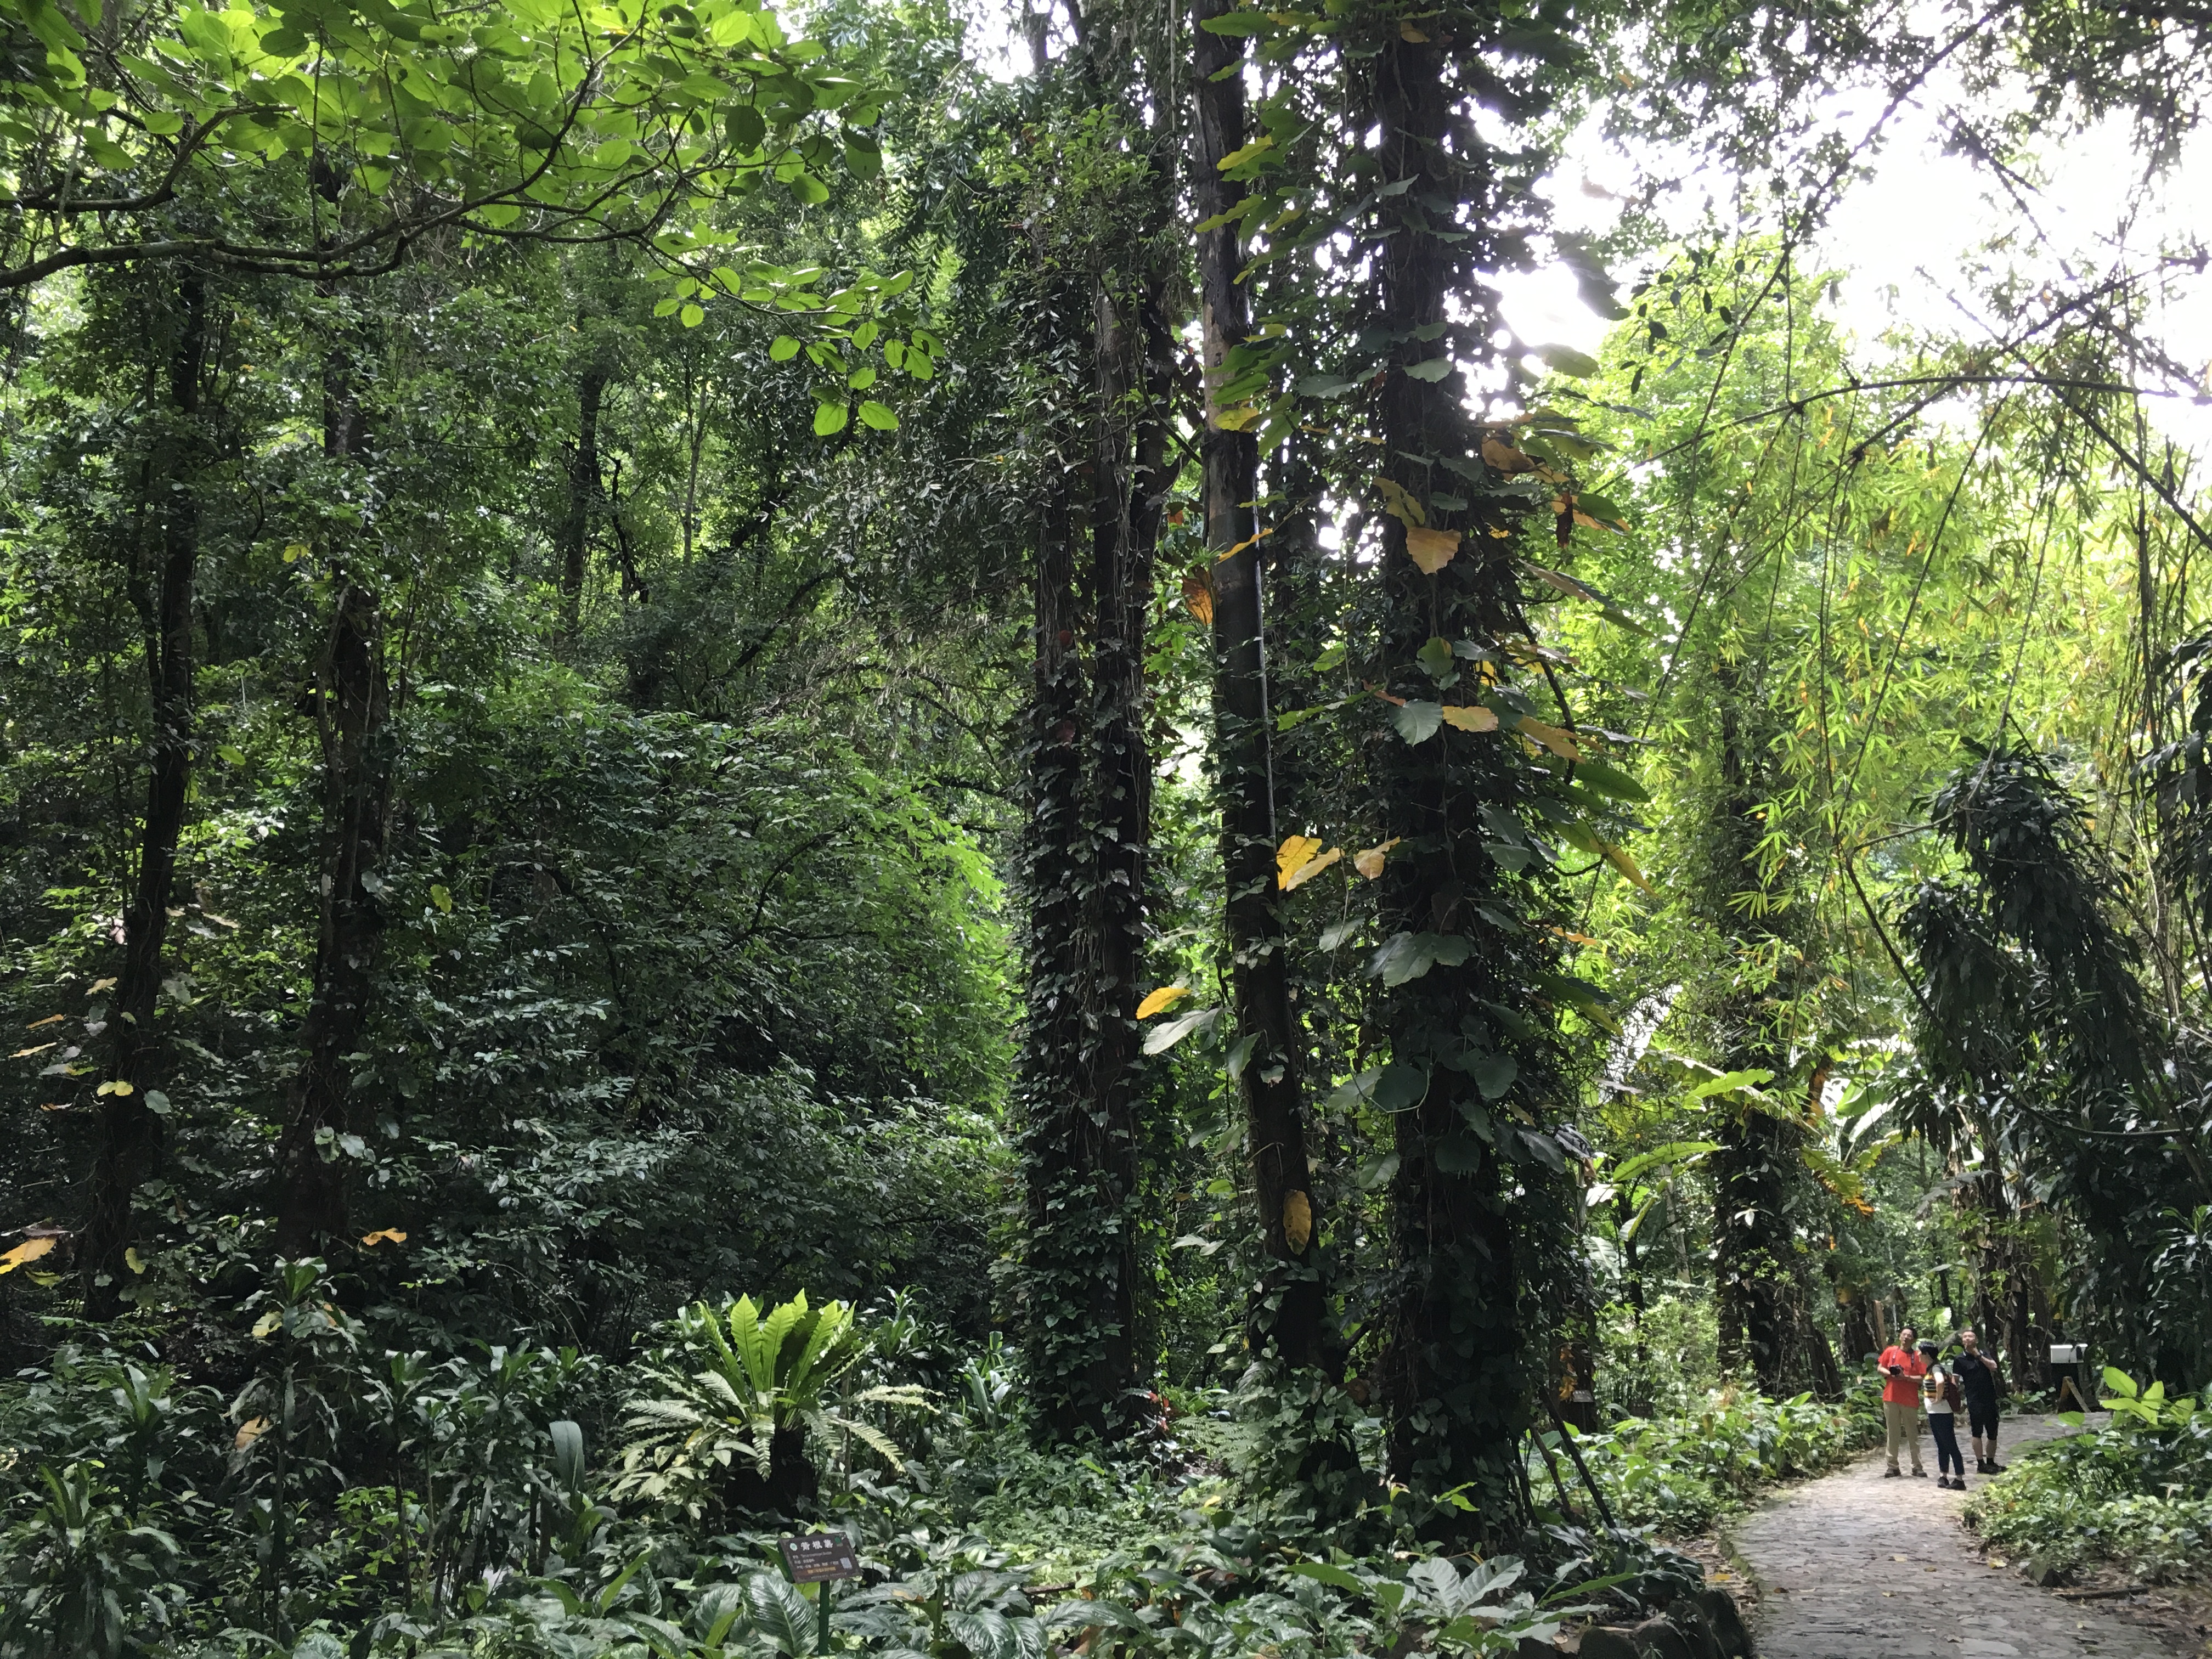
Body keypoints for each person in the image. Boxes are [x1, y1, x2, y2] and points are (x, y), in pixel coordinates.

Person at [1877, 1325, 1928, 1477]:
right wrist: (1891, 1374)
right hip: (1891, 1398)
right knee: (1893, 1433)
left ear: (1914, 1340)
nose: (1906, 1337)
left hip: (1909, 1399)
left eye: (1909, 1336)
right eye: (1904, 1334)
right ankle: (1892, 1466)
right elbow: (1880, 1368)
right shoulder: (1890, 1352)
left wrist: (1906, 1377)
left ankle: (1917, 1466)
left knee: (1912, 1434)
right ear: (1900, 1337)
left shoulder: (1918, 1356)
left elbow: (1922, 1377)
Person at [1955, 1328, 2005, 1474]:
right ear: (1962, 1341)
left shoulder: (1984, 1354)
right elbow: (1955, 1380)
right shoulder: (1959, 1359)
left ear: (1976, 1340)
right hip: (1974, 1400)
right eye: (1965, 1337)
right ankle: (1980, 1463)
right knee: (1977, 1432)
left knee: (1993, 1431)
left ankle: (1991, 1461)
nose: (1968, 1339)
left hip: (1989, 1398)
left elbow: (1994, 1367)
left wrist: (1978, 1356)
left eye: (1971, 1337)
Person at [1921, 1339, 1966, 1489]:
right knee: (1942, 1445)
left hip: (1941, 1412)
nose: (1919, 1355)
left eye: (1921, 1353)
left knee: (1950, 1445)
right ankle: (1943, 1476)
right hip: (1935, 1413)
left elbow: (1940, 1382)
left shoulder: (1936, 1369)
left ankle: (1959, 1479)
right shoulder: (1932, 1368)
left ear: (1927, 1354)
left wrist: (1938, 1398)